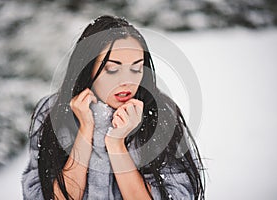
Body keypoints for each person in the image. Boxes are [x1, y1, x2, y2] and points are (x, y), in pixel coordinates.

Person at [21, 15, 205, 200]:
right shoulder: (51, 112)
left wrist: (116, 143)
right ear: (87, 66)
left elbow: (178, 196)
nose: (127, 81)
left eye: (136, 68)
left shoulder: (162, 114)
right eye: (112, 69)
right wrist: (85, 132)